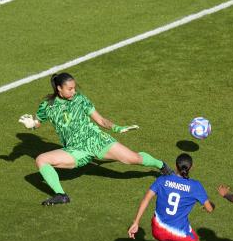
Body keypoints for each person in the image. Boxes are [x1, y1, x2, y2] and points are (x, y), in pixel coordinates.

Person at [19, 72, 172, 205]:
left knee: (133, 159)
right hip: (75, 149)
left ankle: (161, 165)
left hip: (97, 140)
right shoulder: (47, 105)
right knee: (41, 159)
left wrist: (118, 128)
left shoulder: (80, 99)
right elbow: (38, 123)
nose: (73, 92)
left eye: (74, 88)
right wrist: (31, 124)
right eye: (70, 89)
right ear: (59, 88)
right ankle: (61, 195)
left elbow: (100, 120)